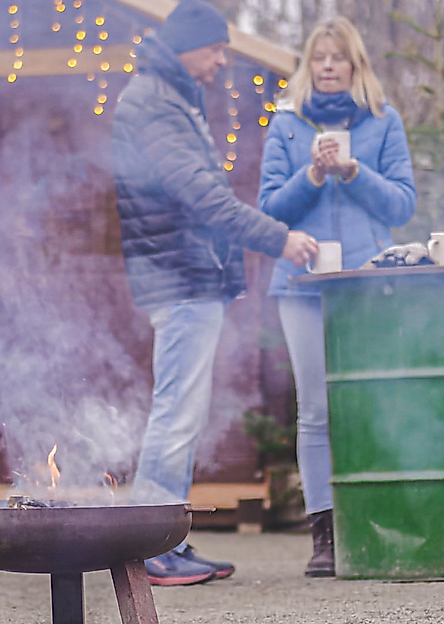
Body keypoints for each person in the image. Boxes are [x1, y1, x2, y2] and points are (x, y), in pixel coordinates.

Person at [112, 0, 318, 587]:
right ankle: (149, 548)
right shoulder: (155, 105)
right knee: (176, 413)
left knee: (182, 411)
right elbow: (203, 198)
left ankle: (163, 541)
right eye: (216, 48)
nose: (223, 59)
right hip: (179, 278)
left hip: (187, 276)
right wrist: (280, 239)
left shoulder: (172, 98)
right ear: (187, 46)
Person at [258, 17, 417, 577]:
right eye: (318, 57)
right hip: (301, 288)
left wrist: (353, 172)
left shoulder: (383, 121)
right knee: (319, 412)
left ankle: (375, 523)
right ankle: (324, 536)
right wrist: (313, 176)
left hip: (370, 284)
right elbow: (271, 210)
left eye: (338, 57)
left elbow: (402, 206)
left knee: (373, 403)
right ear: (308, 65)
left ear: (355, 65)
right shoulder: (286, 123)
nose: (327, 66)